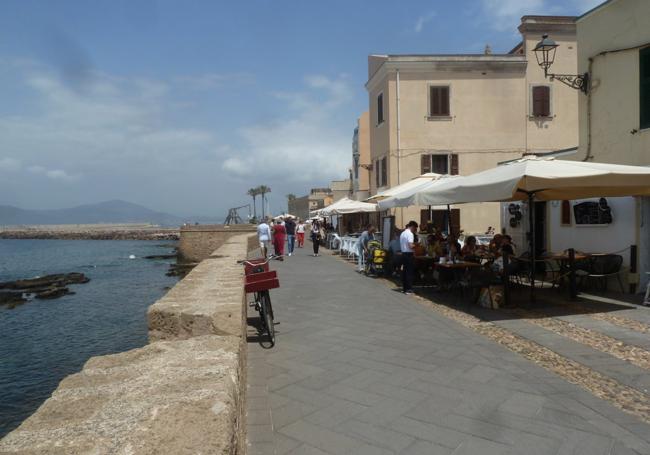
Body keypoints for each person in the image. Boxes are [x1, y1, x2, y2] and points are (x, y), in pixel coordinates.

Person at [400, 221, 418, 294]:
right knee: (409, 272)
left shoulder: (403, 233)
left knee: (404, 271)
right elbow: (411, 246)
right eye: (415, 228)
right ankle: (409, 289)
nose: (415, 230)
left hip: (403, 253)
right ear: (412, 226)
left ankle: (404, 288)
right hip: (409, 254)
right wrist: (417, 244)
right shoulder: (410, 234)